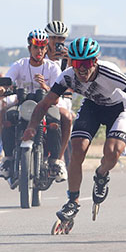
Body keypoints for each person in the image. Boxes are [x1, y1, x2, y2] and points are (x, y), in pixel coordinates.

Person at [22, 37, 126, 229]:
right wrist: (31, 127)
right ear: (72, 62)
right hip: (92, 107)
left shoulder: (110, 72)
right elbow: (45, 104)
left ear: (95, 62)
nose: (82, 69)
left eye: (87, 63)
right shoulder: (67, 76)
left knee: (112, 153)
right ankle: (73, 201)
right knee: (77, 148)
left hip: (118, 109)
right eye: (77, 63)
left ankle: (102, 174)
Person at [0, 29, 68, 184]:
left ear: (46, 48)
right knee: (5, 114)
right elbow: (8, 80)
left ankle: (56, 161)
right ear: (30, 48)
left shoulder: (52, 67)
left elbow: (58, 91)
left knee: (58, 120)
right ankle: (7, 159)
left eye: (42, 47)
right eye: (36, 47)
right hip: (23, 104)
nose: (39, 51)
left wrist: (45, 86)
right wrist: (3, 89)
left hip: (47, 104)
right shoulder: (19, 65)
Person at [44, 20, 74, 164]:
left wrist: (69, 61)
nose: (57, 42)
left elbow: (75, 78)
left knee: (67, 118)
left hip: (60, 96)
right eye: (53, 38)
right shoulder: (39, 53)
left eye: (61, 38)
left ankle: (59, 157)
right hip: (40, 94)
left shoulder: (67, 57)